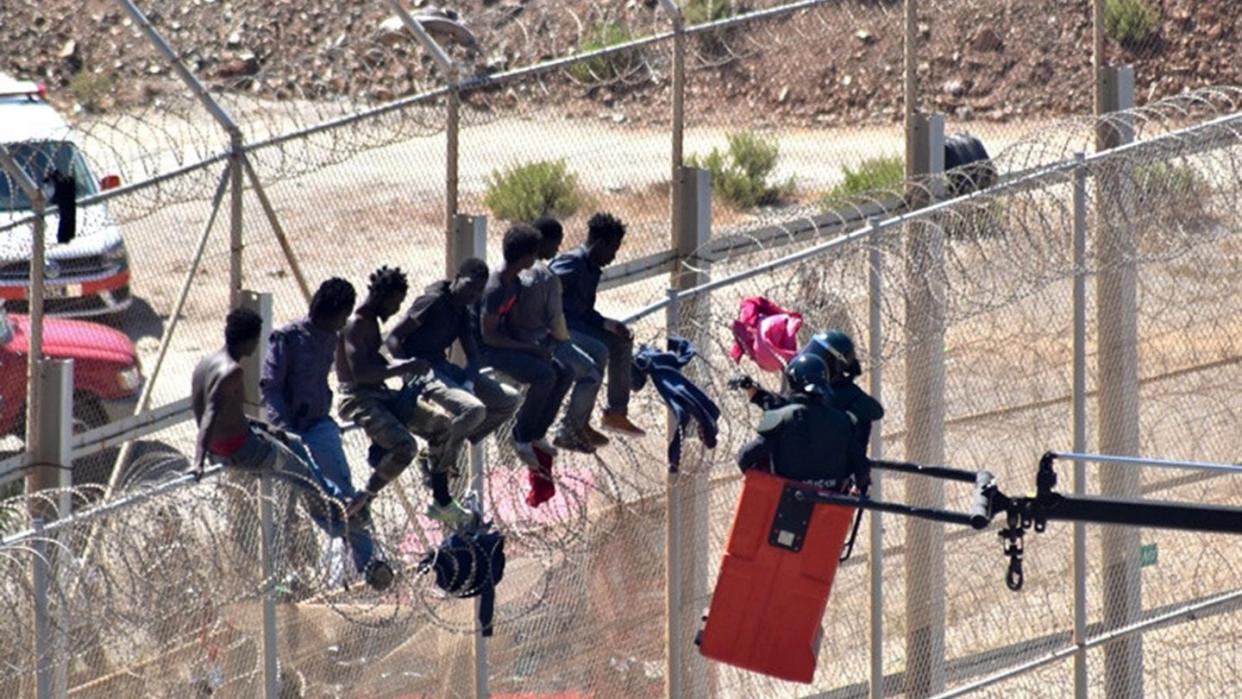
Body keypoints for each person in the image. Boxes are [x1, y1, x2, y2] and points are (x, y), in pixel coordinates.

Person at [260, 278, 393, 590]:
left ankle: (368, 564)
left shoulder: (331, 338)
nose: (343, 322)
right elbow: (270, 387)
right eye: (341, 315)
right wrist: (283, 430)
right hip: (289, 431)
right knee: (296, 498)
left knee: (345, 492)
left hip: (318, 423)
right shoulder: (286, 338)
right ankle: (280, 575)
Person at [337, 266, 468, 525]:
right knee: (405, 446)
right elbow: (361, 373)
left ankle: (441, 498)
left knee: (442, 426)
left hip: (380, 394)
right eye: (396, 302)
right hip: (359, 398)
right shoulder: (356, 325)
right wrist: (406, 366)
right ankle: (365, 497)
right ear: (382, 295)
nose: (397, 310)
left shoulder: (371, 323)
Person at [385, 258, 520, 473]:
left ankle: (450, 442)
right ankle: (437, 455)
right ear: (457, 278)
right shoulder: (433, 301)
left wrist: (468, 382)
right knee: (474, 409)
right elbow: (393, 339)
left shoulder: (462, 311)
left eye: (478, 292)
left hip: (444, 367)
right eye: (469, 287)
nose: (472, 295)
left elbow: (473, 356)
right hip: (424, 371)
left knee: (509, 399)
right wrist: (409, 373)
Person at [479, 223, 574, 467]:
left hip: (508, 345)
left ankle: (537, 432)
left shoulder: (515, 283)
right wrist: (529, 349)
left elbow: (512, 324)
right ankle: (521, 436)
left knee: (564, 371)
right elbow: (489, 336)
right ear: (524, 257)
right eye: (533, 253)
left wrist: (535, 347)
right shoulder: (496, 288)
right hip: (488, 351)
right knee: (544, 376)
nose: (536, 258)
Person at [514, 217, 607, 453]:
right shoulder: (547, 276)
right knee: (590, 374)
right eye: (555, 244)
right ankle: (567, 430)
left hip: (523, 340)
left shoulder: (516, 270)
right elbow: (555, 320)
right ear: (543, 242)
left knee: (569, 371)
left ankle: (547, 432)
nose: (557, 251)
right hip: (546, 340)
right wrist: (563, 340)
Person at [550, 212, 645, 437]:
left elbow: (583, 310)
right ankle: (573, 426)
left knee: (620, 342)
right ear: (600, 243)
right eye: (612, 249)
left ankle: (616, 414)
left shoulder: (591, 269)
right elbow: (544, 291)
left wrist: (607, 324)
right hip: (559, 329)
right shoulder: (572, 263)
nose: (613, 257)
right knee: (599, 352)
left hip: (579, 325)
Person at [736, 354, 869, 491]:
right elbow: (862, 470)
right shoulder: (843, 421)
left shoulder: (780, 418)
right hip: (829, 506)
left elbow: (745, 458)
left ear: (793, 382)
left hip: (785, 505)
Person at [741, 329, 884, 450]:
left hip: (834, 469)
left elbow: (787, 409)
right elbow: (786, 407)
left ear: (833, 364)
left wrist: (849, 416)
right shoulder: (825, 391)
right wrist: (756, 392)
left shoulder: (838, 394)